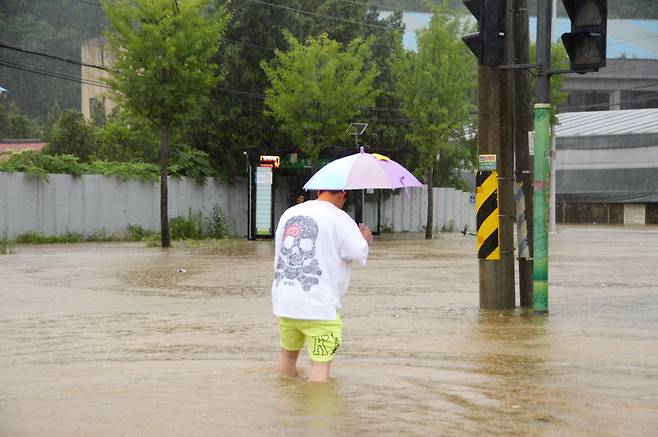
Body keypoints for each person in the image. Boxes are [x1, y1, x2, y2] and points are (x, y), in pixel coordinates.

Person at [272, 189, 373, 382]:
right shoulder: (341, 219)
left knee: (287, 358)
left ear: (318, 190)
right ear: (343, 194)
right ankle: (318, 412)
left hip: (285, 303)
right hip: (319, 309)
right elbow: (359, 254)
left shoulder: (290, 213)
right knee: (320, 371)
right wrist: (365, 238)